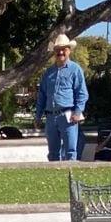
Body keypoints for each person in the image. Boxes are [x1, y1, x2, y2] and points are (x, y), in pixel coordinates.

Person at [34, 34, 88, 162]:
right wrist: (38, 116)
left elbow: (82, 93)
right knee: (52, 152)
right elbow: (42, 95)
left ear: (69, 50)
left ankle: (70, 177)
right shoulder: (48, 72)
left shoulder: (75, 70)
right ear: (54, 51)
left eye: (64, 49)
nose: (61, 52)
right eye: (58, 49)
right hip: (51, 116)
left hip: (68, 115)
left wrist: (78, 111)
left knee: (70, 150)